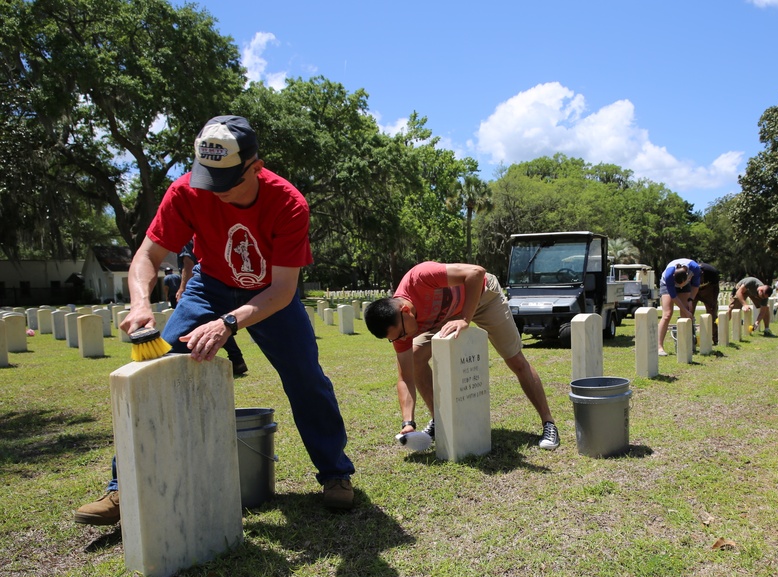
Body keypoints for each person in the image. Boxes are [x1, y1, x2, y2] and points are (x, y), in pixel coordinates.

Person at [73, 115, 355, 526]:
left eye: (228, 183)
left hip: (269, 295)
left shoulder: (289, 203)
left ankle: (335, 474)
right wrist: (139, 302)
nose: (216, 193)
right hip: (210, 285)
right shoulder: (186, 190)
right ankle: (124, 489)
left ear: (255, 166)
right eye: (210, 181)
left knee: (306, 378)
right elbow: (147, 257)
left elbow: (281, 290)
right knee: (155, 372)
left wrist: (228, 323)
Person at [364, 261, 560, 450]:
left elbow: (476, 272)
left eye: (402, 334)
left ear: (405, 310)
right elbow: (405, 377)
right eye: (397, 338)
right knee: (415, 359)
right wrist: (408, 421)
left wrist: (465, 318)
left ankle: (548, 423)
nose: (404, 338)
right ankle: (440, 422)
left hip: (483, 296)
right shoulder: (400, 327)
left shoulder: (420, 277)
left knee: (515, 360)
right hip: (448, 315)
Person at [177, 240, 248, 377]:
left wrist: (183, 289)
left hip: (206, 285)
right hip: (212, 281)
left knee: (218, 326)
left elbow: (188, 264)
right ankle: (237, 359)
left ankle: (236, 359)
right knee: (217, 326)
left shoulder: (185, 240)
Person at [657, 259, 701, 356]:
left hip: (686, 284)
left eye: (681, 284)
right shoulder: (669, 275)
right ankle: (659, 347)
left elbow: (696, 286)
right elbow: (674, 297)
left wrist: (690, 300)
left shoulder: (695, 268)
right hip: (667, 285)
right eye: (678, 284)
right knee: (667, 314)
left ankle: (685, 346)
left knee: (685, 316)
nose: (679, 287)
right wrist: (686, 310)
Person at [693, 262, 721, 345]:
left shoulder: (712, 272)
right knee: (688, 313)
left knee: (712, 314)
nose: (699, 281)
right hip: (693, 292)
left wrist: (714, 301)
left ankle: (715, 338)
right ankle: (690, 337)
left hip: (708, 291)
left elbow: (716, 287)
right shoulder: (690, 273)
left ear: (702, 273)